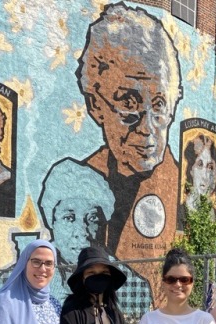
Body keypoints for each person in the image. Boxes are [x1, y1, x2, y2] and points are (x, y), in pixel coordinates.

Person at [73, 3, 183, 290]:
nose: (147, 128)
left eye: (159, 106)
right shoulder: (78, 178)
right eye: (128, 105)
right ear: (96, 104)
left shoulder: (181, 188)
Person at [37, 157, 153, 314]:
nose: (82, 231)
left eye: (92, 219)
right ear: (52, 222)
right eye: (69, 218)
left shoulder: (133, 287)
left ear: (103, 225)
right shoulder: (26, 279)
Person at [183, 133, 216, 212]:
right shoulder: (179, 211)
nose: (205, 176)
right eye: (200, 165)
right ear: (191, 171)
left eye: (210, 167)